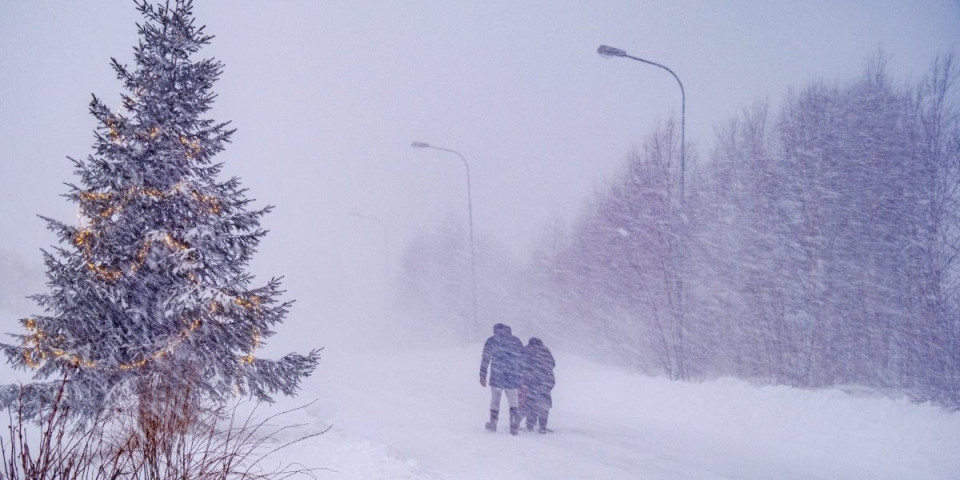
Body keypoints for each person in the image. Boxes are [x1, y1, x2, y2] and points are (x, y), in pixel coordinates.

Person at [479, 323, 524, 435]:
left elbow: (485, 359)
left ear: (495, 331)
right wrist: (522, 375)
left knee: (495, 401)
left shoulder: (492, 340)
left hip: (497, 376)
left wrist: (482, 375)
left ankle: (493, 423)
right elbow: (523, 360)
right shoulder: (516, 341)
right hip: (513, 377)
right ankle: (514, 426)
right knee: (514, 403)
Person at [520, 337, 555, 433]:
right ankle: (542, 426)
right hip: (546, 382)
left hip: (532, 382)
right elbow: (552, 364)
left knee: (531, 402)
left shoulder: (527, 350)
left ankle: (530, 425)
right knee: (544, 404)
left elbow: (521, 365)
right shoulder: (545, 350)